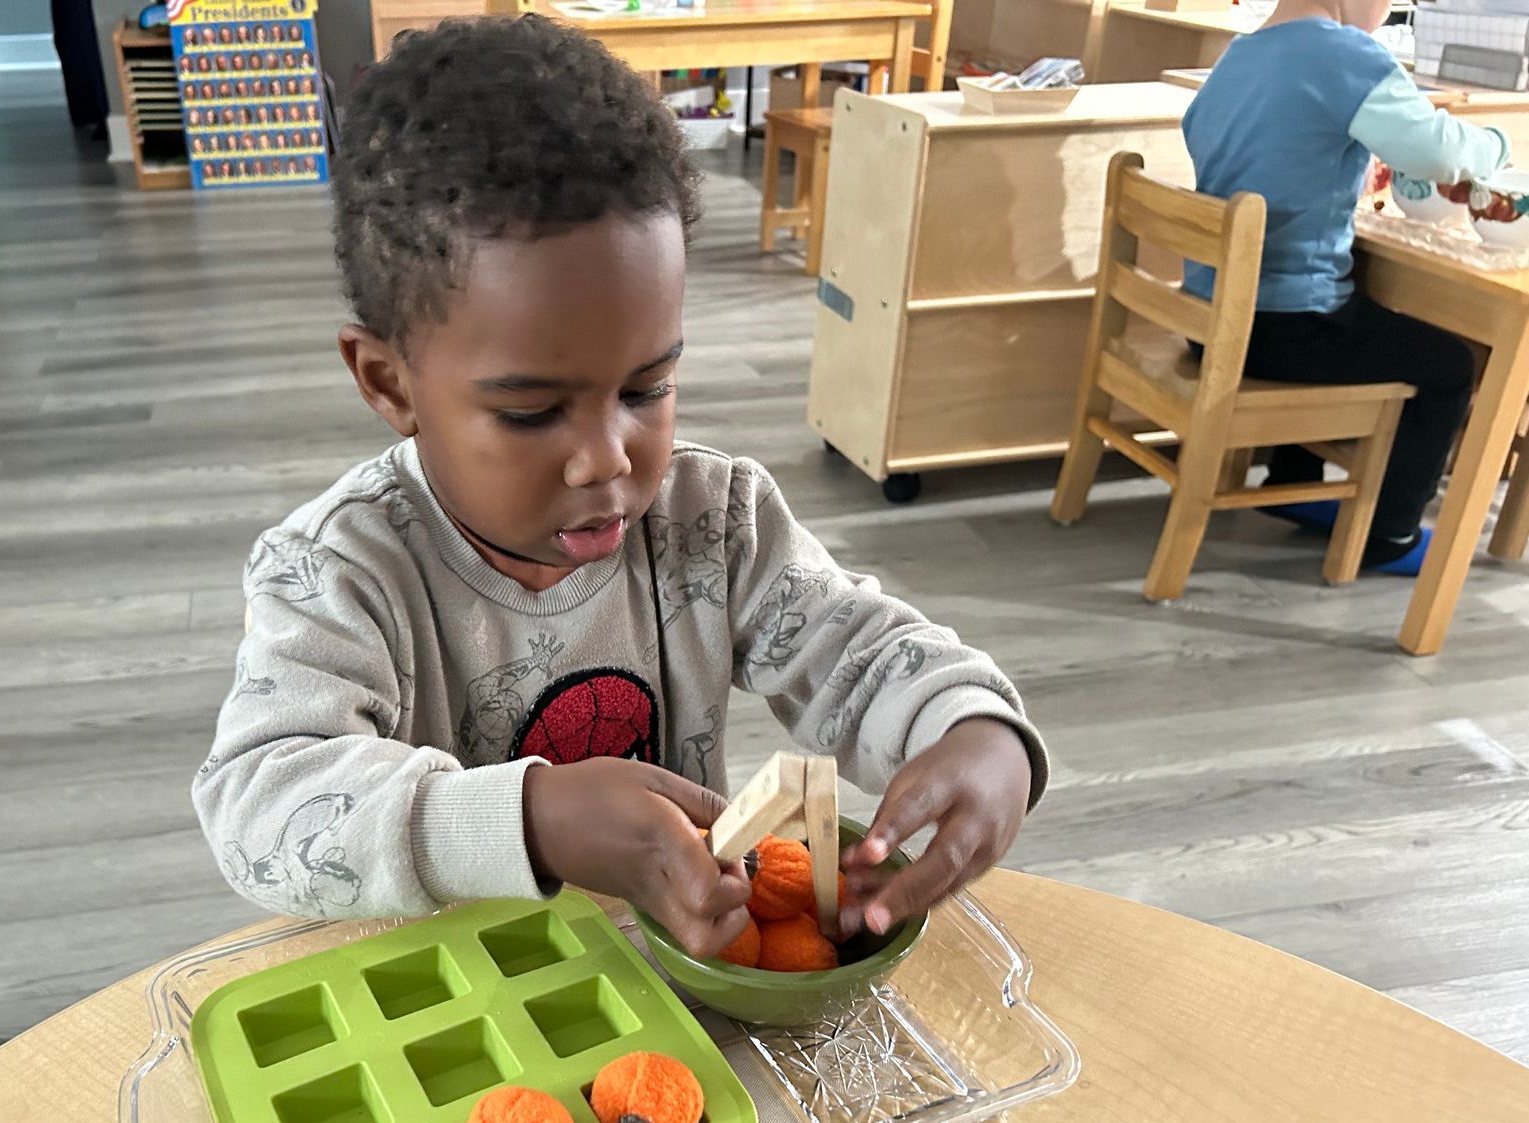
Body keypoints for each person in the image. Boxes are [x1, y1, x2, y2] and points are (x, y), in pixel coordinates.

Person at [192, 16, 1045, 955]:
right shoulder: (337, 573)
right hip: (457, 993)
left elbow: (860, 650)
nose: (607, 459)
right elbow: (259, 811)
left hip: (670, 978)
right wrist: (531, 819)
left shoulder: (710, 522)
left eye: (648, 388)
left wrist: (972, 729)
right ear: (390, 384)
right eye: (530, 412)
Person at [1183, 0, 1510, 575]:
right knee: (1449, 366)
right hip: (1283, 325)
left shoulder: (1240, 56)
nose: (1386, 13)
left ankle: (1297, 483)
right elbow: (1439, 151)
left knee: (1354, 304)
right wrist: (1496, 146)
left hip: (1210, 317)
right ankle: (1391, 535)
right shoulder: (1342, 53)